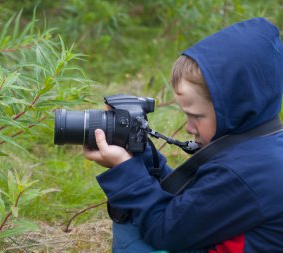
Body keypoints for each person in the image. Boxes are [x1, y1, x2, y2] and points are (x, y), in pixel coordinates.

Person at [83, 17, 283, 252]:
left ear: (233, 107)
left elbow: (165, 231)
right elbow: (191, 203)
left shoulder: (242, 175)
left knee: (132, 227)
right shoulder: (261, 146)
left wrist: (124, 170)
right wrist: (140, 154)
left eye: (196, 116)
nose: (189, 126)